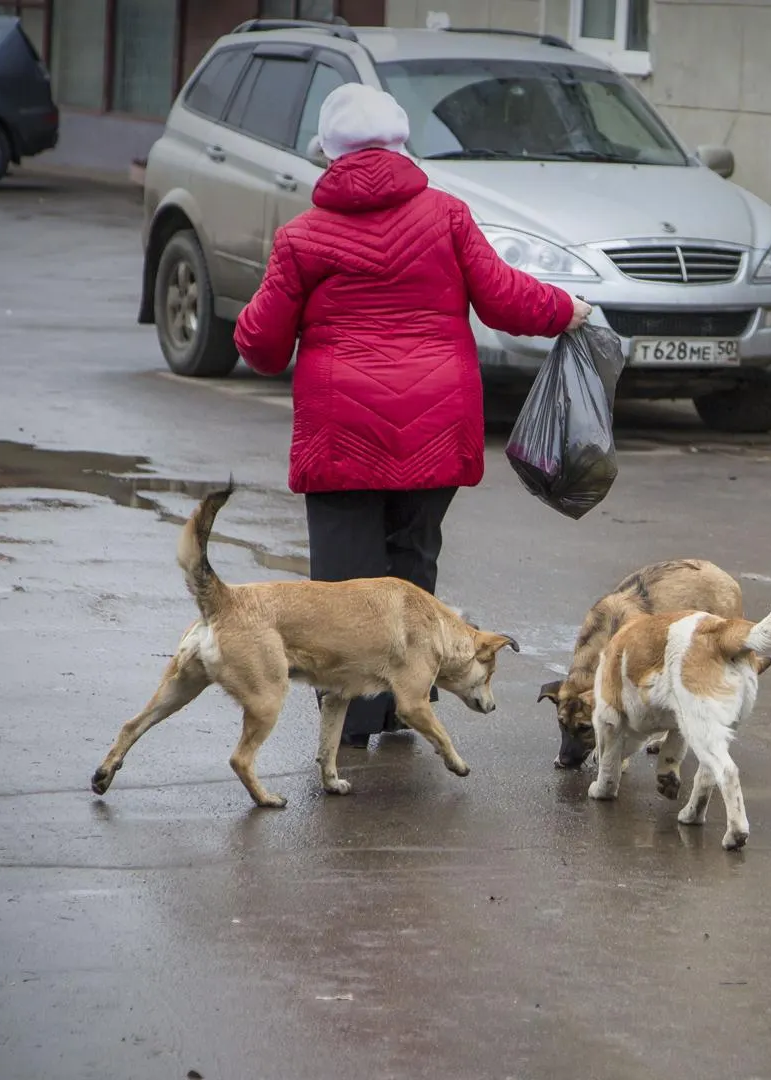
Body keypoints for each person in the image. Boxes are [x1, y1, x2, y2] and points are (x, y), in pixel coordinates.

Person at [235, 83, 589, 748]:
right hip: (436, 428)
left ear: (328, 154)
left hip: (342, 438)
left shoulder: (301, 237)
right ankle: (403, 705)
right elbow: (507, 299)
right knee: (412, 570)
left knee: (345, 590)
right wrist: (568, 309)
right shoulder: (447, 216)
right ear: (400, 144)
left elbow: (260, 345)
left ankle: (355, 724)